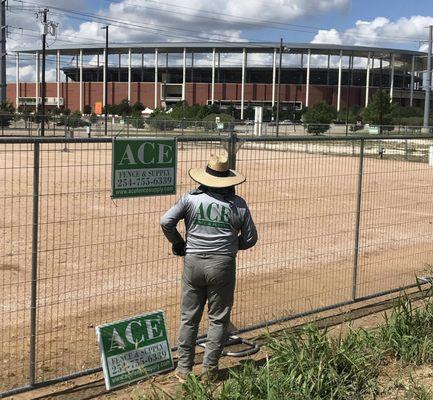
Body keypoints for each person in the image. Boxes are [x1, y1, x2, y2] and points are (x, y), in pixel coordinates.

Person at [160, 154, 258, 382]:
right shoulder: (238, 204)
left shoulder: (190, 199)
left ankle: (183, 370)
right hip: (222, 264)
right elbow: (251, 239)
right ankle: (209, 372)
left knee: (189, 318)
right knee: (218, 319)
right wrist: (232, 245)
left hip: (193, 261)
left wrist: (178, 242)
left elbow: (166, 221)